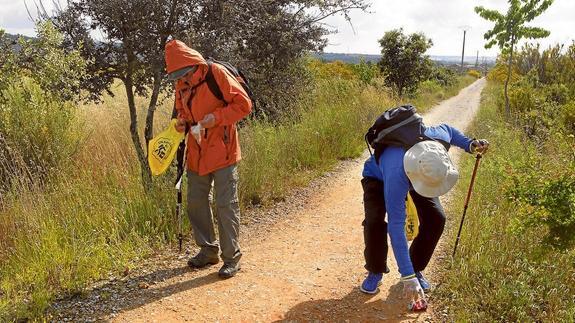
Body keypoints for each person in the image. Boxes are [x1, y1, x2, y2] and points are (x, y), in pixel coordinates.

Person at [359, 118, 489, 303]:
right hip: (379, 177)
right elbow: (397, 227)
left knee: (436, 218)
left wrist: (470, 144)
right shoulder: (395, 170)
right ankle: (375, 269)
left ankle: (416, 266)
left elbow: (450, 131)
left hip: (419, 175)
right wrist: (407, 277)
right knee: (375, 221)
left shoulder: (438, 139)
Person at [165, 39, 252, 278]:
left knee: (225, 204)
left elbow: (244, 105)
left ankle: (231, 258)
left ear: (194, 63)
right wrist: (181, 122)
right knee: (196, 201)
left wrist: (215, 118)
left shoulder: (217, 73)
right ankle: (208, 250)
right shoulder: (181, 82)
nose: (183, 78)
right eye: (178, 75)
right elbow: (182, 110)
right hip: (196, 150)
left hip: (223, 150)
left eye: (185, 72)